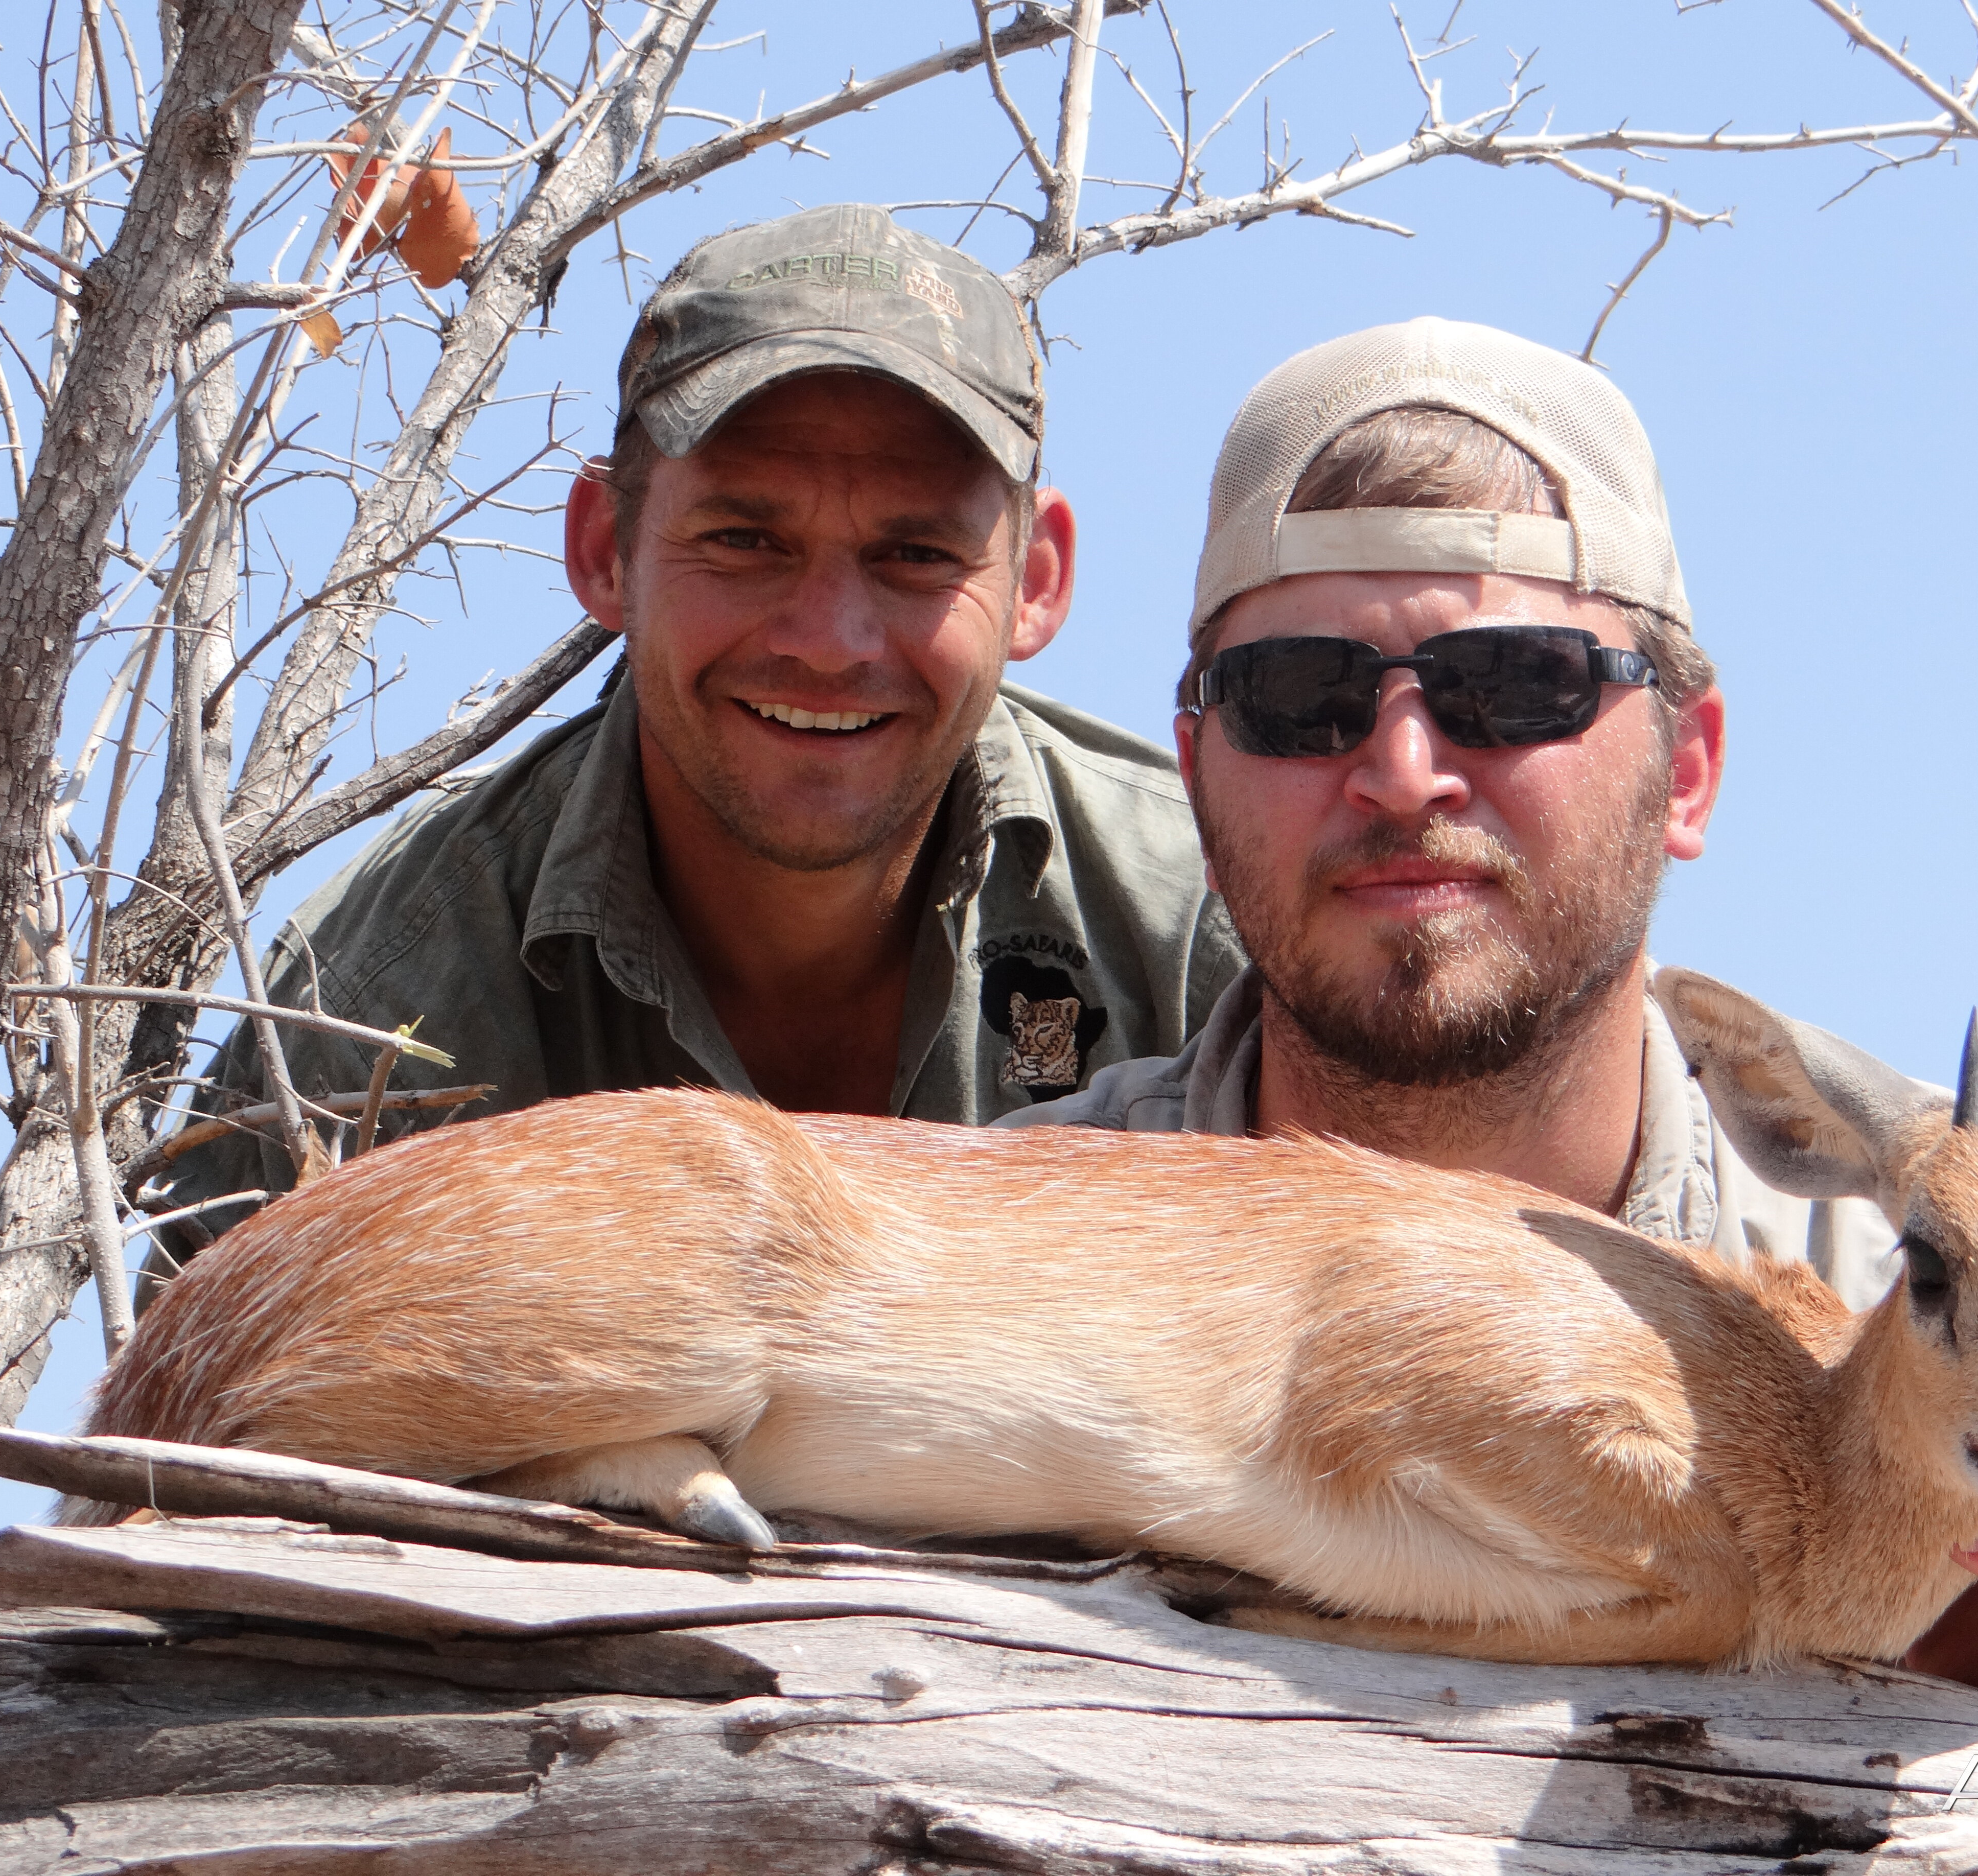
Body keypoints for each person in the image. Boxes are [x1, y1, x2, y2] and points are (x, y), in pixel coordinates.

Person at [1004, 316, 1978, 1734]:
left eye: (1516, 686)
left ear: (1690, 771)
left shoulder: (1928, 1277)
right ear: (1195, 767)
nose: (1404, 772)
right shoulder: (1015, 1232)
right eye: (1300, 698)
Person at [159, 204, 1242, 1250]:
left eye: (915, 556)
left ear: (1036, 584)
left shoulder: (1206, 936)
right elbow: (185, 1422)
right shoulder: (370, 1015)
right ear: (603, 552)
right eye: (743, 540)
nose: (828, 641)